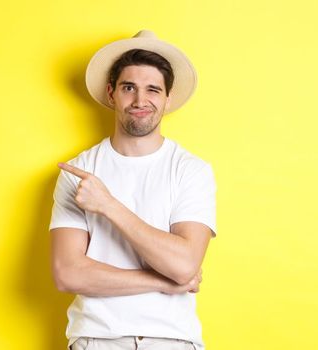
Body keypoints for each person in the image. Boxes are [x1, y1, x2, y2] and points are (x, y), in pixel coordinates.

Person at [49, 30, 217, 350]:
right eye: (129, 88)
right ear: (112, 93)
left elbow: (184, 265)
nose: (140, 101)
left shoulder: (191, 170)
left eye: (152, 89)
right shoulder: (78, 172)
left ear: (167, 98)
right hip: (97, 340)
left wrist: (109, 205)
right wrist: (163, 282)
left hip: (173, 341)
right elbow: (67, 273)